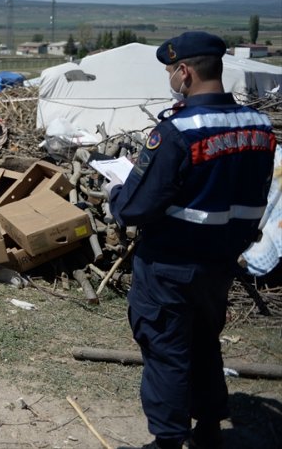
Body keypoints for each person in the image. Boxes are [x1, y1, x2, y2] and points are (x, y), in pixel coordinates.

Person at [107, 31, 277, 449]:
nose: (170, 77)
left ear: (184, 72)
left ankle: (168, 440)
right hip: (221, 263)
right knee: (204, 343)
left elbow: (134, 208)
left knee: (166, 349)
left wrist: (115, 190)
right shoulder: (259, 126)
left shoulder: (179, 131)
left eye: (170, 70)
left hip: (170, 265)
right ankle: (208, 429)